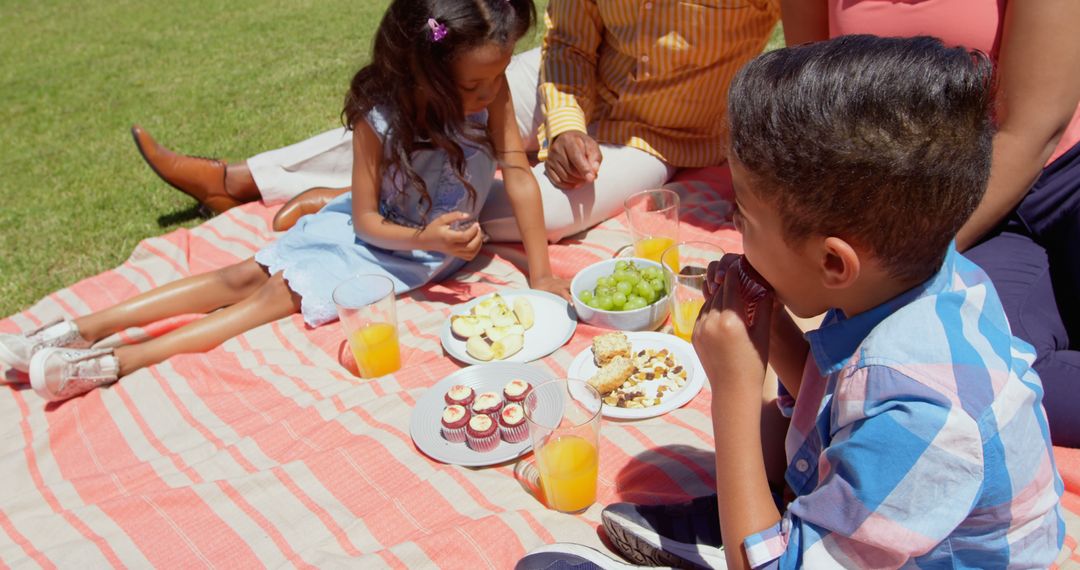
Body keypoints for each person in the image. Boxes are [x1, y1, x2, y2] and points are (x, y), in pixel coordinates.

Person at [543, 36, 1065, 569]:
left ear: (834, 264)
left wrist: (735, 389)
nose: (731, 228)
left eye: (742, 216)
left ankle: (752, 540)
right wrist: (771, 333)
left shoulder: (921, 418)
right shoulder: (933, 272)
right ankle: (757, 522)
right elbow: (839, 390)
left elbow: (871, 406)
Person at [0, 0, 570, 401]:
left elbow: (517, 175)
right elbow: (368, 220)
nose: (490, 94)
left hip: (415, 254)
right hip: (380, 233)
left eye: (494, 81)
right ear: (424, 68)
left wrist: (540, 276)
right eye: (472, 85)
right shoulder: (381, 116)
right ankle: (83, 329)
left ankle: (115, 363)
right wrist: (421, 233)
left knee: (270, 295)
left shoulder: (488, 98)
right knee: (241, 275)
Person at [132, 0, 780, 241]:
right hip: (572, 87)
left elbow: (805, 65)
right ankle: (238, 178)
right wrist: (564, 124)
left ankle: (363, 204)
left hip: (658, 133)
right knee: (419, 103)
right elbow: (571, 46)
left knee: (550, 216)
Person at [779, 0, 1080, 448]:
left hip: (1058, 176)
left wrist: (894, 262)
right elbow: (814, 105)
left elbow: (1031, 130)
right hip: (956, 208)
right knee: (953, 372)